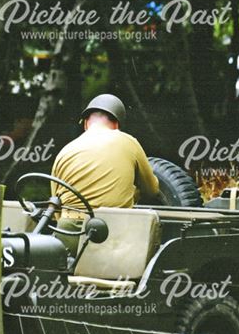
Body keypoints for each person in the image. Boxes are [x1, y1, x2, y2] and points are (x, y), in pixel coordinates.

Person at [49, 94, 160, 245]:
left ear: (86, 124)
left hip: (68, 229)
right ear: (116, 124)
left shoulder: (65, 151)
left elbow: (56, 208)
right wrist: (132, 192)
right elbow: (152, 190)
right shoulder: (128, 142)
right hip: (109, 230)